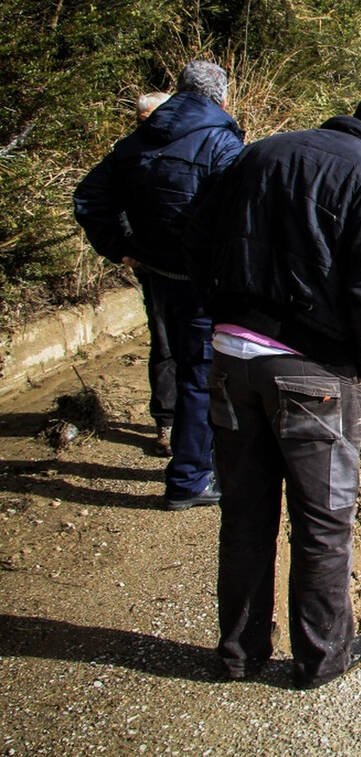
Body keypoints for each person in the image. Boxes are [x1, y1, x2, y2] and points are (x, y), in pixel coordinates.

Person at [183, 84, 361, 689]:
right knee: (322, 522)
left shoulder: (260, 153)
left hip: (229, 356)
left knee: (244, 515)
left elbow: (196, 235)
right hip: (312, 371)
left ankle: (240, 654)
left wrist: (219, 314)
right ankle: (321, 658)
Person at [74, 62, 244, 507]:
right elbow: (238, 216)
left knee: (173, 357)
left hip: (156, 274)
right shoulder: (221, 142)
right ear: (222, 100)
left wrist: (119, 246)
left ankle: (185, 457)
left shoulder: (134, 142)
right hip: (204, 281)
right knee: (201, 374)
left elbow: (89, 197)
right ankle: (190, 479)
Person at [133, 91, 175, 456]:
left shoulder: (194, 145)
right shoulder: (131, 152)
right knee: (164, 343)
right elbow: (101, 198)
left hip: (195, 268)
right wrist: (122, 246)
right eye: (142, 118)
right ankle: (166, 422)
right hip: (154, 267)